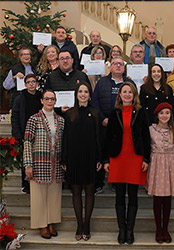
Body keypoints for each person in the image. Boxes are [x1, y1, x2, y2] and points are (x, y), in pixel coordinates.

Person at [103, 82, 150, 245]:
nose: (128, 94)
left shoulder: (141, 112)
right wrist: (106, 160)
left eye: (130, 92)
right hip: (118, 158)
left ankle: (130, 230)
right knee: (119, 196)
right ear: (120, 95)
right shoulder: (114, 112)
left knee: (134, 196)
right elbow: (108, 138)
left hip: (135, 158)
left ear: (134, 95)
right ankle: (121, 230)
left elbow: (146, 137)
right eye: (125, 92)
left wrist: (146, 159)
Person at [61, 83, 102, 241]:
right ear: (76, 95)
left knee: (90, 192)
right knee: (76, 192)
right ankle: (79, 225)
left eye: (86, 92)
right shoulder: (70, 114)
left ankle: (87, 224)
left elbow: (99, 138)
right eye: (80, 91)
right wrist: (64, 158)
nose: (83, 94)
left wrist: (99, 158)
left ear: (90, 95)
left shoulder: (96, 113)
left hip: (91, 158)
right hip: (74, 158)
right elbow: (65, 138)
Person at [23, 89, 65, 239]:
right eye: (46, 98)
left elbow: (63, 142)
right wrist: (28, 164)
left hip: (56, 163)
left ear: (55, 101)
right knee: (39, 195)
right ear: (41, 101)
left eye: (52, 99)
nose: (49, 101)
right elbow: (27, 142)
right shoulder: (33, 119)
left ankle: (51, 222)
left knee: (54, 195)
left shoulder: (60, 120)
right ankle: (42, 224)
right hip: (39, 162)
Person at [92, 56, 135, 194]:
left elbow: (135, 102)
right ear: (110, 67)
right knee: (103, 151)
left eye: (120, 64)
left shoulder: (129, 83)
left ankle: (120, 181)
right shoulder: (102, 82)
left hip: (124, 126)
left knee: (121, 153)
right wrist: (103, 118)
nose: (118, 66)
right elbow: (95, 102)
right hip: (105, 124)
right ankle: (99, 182)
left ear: (124, 67)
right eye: (115, 64)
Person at [147, 102, 174, 244]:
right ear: (157, 115)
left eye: (167, 113)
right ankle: (158, 228)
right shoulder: (151, 130)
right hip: (156, 164)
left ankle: (165, 228)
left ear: (171, 115)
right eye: (162, 113)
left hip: (170, 166)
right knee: (157, 198)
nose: (164, 116)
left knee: (167, 199)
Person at [11, 74, 42, 194]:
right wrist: (18, 135)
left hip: (39, 132)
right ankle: (26, 184)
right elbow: (15, 117)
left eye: (33, 82)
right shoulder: (20, 98)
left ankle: (37, 181)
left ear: (37, 84)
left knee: (38, 159)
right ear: (25, 85)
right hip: (25, 133)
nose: (31, 84)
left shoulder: (41, 97)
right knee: (26, 159)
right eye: (29, 82)